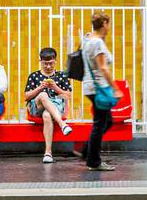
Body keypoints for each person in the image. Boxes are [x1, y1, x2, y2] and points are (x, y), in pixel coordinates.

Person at [80, 13, 116, 172]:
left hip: (90, 86)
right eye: (108, 24)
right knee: (100, 123)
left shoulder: (89, 39)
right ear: (104, 24)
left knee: (106, 121)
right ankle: (93, 162)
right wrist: (115, 88)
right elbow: (103, 67)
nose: (110, 27)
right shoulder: (96, 43)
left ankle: (88, 151)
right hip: (98, 88)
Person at [24, 46, 73, 163]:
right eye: (45, 63)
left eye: (51, 63)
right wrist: (40, 88)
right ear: (40, 61)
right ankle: (62, 124)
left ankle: (48, 153)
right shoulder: (34, 76)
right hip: (36, 107)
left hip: (56, 107)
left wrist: (55, 87)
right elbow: (27, 96)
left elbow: (68, 96)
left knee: (47, 115)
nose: (48, 66)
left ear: (55, 61)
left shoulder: (62, 76)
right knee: (43, 95)